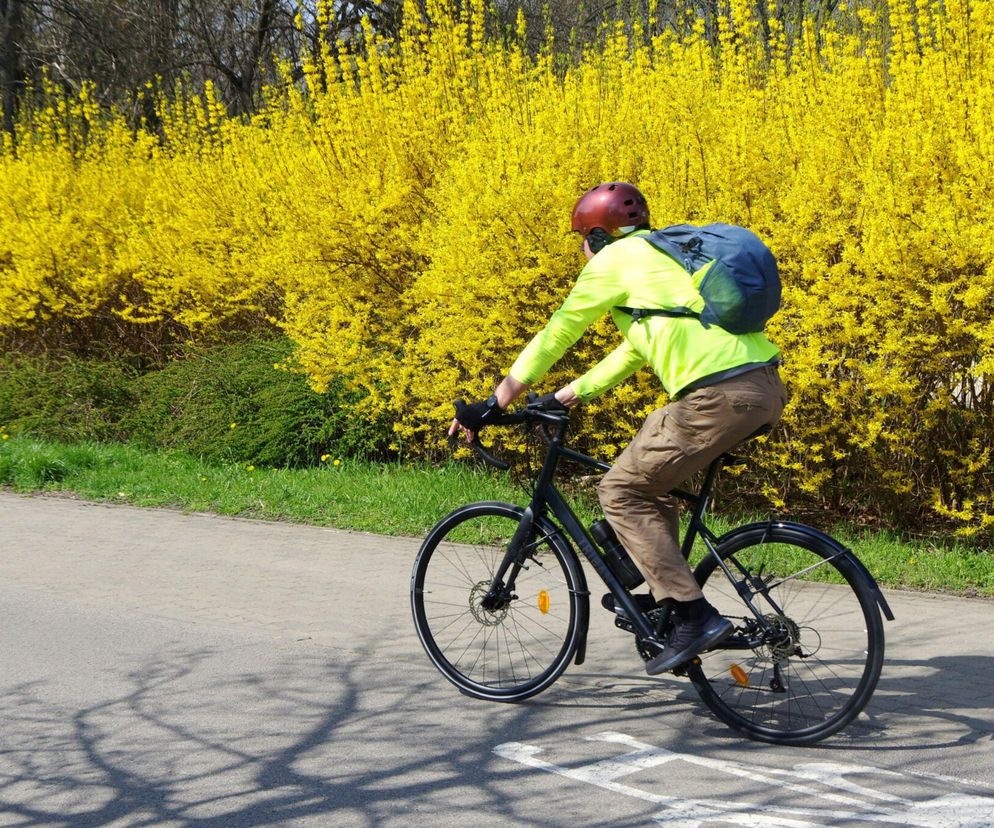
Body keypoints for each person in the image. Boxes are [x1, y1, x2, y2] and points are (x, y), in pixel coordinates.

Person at [449, 181, 786, 675]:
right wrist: (567, 395)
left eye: (581, 240)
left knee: (622, 490)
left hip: (716, 396)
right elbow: (635, 349)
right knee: (652, 483)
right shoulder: (662, 258)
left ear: (599, 237)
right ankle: (670, 603)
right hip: (761, 386)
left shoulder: (613, 261)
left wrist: (495, 402)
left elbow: (558, 331)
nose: (581, 252)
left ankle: (692, 617)